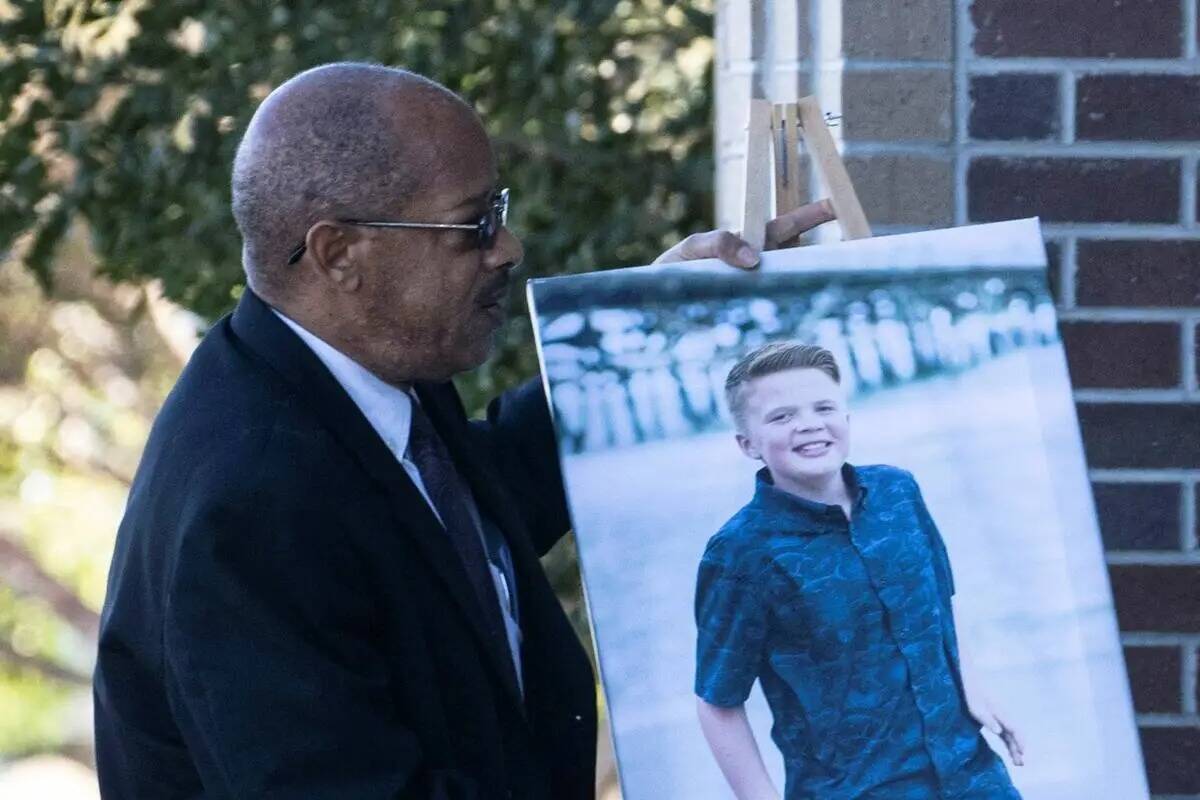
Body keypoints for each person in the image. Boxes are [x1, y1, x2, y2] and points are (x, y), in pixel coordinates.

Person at [92, 62, 834, 799]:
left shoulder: (347, 378)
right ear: (340, 254)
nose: (505, 247)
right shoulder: (251, 506)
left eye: (498, 210)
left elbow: (456, 514)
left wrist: (655, 319)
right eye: (472, 224)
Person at [694, 341, 1025, 800]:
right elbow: (717, 701)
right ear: (747, 444)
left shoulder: (898, 492)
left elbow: (940, 605)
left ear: (846, 419)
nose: (808, 423)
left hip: (969, 771)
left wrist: (975, 689)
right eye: (781, 416)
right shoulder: (739, 554)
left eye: (823, 406)